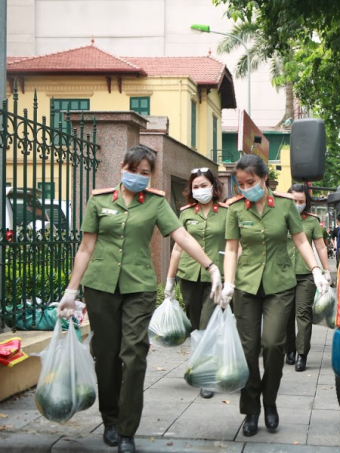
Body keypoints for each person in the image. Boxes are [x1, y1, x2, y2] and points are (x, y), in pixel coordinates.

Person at [57, 145, 223, 453]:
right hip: (100, 287)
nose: (138, 177)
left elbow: (181, 236)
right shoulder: (100, 200)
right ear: (122, 167)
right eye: (133, 170)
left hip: (139, 288)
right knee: (106, 356)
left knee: (133, 355)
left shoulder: (156, 203)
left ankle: (127, 431)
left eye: (145, 173)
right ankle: (110, 419)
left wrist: (211, 267)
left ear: (151, 175)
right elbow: (85, 247)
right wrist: (71, 290)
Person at [221, 154, 330, 437]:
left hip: (280, 285)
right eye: (241, 184)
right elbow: (231, 249)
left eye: (251, 182)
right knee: (248, 350)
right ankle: (251, 409)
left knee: (272, 345)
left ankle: (269, 401)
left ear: (264, 178)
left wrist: (317, 270)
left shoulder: (283, 205)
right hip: (245, 286)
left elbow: (301, 240)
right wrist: (228, 283)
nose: (245, 188)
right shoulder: (235, 209)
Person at [165, 167, 228, 399]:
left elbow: (235, 246)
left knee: (208, 324)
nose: (200, 190)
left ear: (214, 186)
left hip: (216, 278)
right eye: (196, 187)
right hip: (189, 276)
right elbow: (178, 249)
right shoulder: (185, 213)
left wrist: (231, 278)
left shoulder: (226, 212)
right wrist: (170, 281)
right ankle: (200, 364)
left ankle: (207, 375)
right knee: (194, 324)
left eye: (204, 185)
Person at [284, 184, 332, 372]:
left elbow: (320, 247)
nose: (297, 204)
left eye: (301, 201)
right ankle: (289, 349)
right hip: (282, 273)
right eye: (294, 201)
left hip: (306, 274)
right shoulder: (280, 218)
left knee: (302, 313)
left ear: (307, 202)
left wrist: (326, 270)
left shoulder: (312, 221)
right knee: (285, 315)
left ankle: (302, 354)